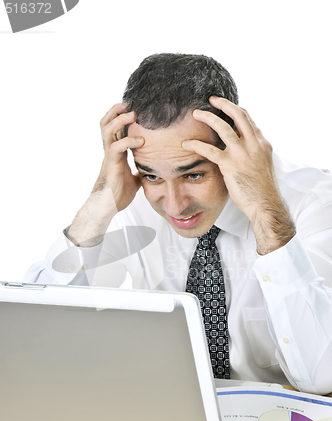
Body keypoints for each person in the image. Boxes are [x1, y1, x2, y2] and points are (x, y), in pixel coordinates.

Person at [25, 53, 332, 394]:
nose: (174, 205)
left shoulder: (315, 203)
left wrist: (265, 212)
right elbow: (36, 340)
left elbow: (321, 376)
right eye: (152, 175)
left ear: (238, 146)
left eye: (194, 174)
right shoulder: (135, 198)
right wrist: (97, 205)